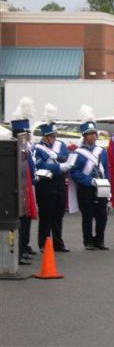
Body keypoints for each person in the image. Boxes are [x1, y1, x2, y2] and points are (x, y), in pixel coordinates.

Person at [70, 105, 109, 250]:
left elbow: (106, 169)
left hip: (101, 186)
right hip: (86, 188)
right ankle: (88, 241)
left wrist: (108, 184)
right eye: (90, 134)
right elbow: (73, 172)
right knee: (88, 216)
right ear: (85, 136)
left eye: (94, 133)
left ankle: (99, 240)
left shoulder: (101, 151)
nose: (93, 136)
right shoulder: (78, 152)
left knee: (102, 216)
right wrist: (89, 181)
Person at [34, 104, 71, 252]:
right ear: (45, 136)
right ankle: (43, 243)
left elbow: (65, 157)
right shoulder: (38, 148)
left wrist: (64, 163)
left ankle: (58, 243)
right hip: (45, 184)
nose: (53, 139)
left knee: (58, 215)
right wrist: (58, 167)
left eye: (54, 136)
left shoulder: (61, 145)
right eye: (51, 136)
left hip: (59, 182)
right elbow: (40, 165)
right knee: (46, 215)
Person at [10, 97, 38, 265]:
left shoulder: (25, 148)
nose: (29, 135)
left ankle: (24, 248)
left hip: (27, 188)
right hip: (17, 191)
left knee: (26, 221)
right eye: (26, 133)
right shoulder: (14, 149)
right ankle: (18, 253)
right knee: (19, 222)